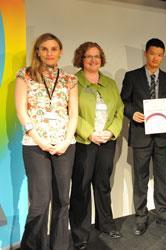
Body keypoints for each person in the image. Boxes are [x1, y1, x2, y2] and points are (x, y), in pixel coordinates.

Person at [14, 33, 78, 250]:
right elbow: (21, 111)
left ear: (60, 52)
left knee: (63, 200)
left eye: (54, 48)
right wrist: (40, 140)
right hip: (35, 145)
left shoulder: (70, 79)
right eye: (44, 48)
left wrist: (66, 141)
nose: (49, 53)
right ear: (37, 51)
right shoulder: (25, 75)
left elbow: (74, 114)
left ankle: (59, 246)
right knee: (40, 202)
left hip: (65, 146)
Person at [120, 38, 166, 236]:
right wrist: (131, 113)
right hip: (141, 134)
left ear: (163, 57)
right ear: (146, 53)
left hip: (162, 135)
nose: (156, 58)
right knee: (141, 177)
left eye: (160, 55)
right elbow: (124, 101)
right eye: (153, 53)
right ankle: (141, 216)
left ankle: (163, 212)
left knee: (162, 175)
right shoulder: (132, 76)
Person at [69, 42, 124, 249]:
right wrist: (89, 133)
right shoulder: (73, 82)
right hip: (84, 142)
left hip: (107, 141)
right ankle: (80, 233)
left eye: (97, 56)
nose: (93, 60)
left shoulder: (110, 83)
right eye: (88, 56)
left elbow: (119, 109)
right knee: (81, 188)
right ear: (81, 59)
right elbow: (70, 111)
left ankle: (106, 224)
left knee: (102, 183)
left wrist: (111, 132)